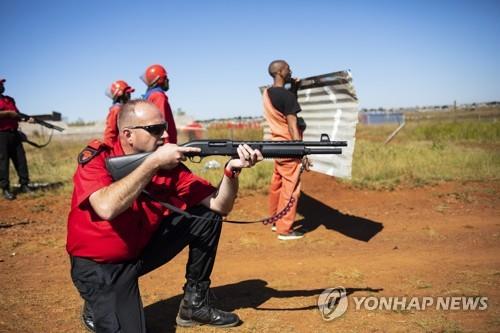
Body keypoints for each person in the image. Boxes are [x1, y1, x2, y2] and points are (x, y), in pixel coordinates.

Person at [66, 99, 263, 332]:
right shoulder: (99, 158)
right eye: (156, 129)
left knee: (205, 216)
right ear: (128, 135)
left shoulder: (169, 166)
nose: (166, 134)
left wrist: (232, 171)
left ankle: (194, 304)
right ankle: (97, 301)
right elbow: (106, 207)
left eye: (165, 127)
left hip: (139, 251)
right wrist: (153, 163)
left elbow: (220, 206)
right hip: (101, 266)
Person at [262, 60, 308, 240]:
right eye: (288, 68)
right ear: (281, 71)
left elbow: (284, 102)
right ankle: (284, 230)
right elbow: (291, 123)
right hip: (289, 147)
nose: (291, 70)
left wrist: (294, 88)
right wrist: (300, 150)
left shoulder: (267, 93)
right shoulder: (286, 97)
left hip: (276, 147)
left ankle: (275, 220)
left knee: (278, 184)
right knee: (291, 187)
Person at [0, 78, 32, 200]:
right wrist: (8, 114)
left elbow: (17, 115)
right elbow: (10, 114)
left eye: (2, 84)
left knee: (21, 160)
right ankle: (5, 188)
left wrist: (27, 119)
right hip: (1, 135)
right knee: (3, 162)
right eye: (0, 84)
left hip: (14, 133)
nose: (2, 86)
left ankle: (24, 184)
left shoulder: (9, 99)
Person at [141, 64, 178, 143]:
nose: (168, 80)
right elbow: (160, 125)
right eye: (165, 78)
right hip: (165, 147)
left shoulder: (150, 95)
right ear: (160, 79)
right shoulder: (158, 96)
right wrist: (166, 145)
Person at [103, 80, 134, 146]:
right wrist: (108, 149)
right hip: (119, 148)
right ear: (121, 94)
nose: (129, 96)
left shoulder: (123, 108)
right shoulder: (116, 110)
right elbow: (110, 132)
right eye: (127, 93)